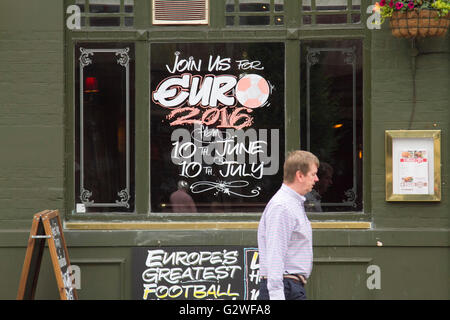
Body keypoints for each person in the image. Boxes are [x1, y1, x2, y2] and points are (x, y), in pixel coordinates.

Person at [257, 150, 319, 300]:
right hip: (285, 288)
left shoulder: (291, 204)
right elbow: (275, 253)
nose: (316, 179)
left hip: (290, 287)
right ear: (300, 175)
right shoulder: (282, 206)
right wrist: (277, 295)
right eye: (313, 174)